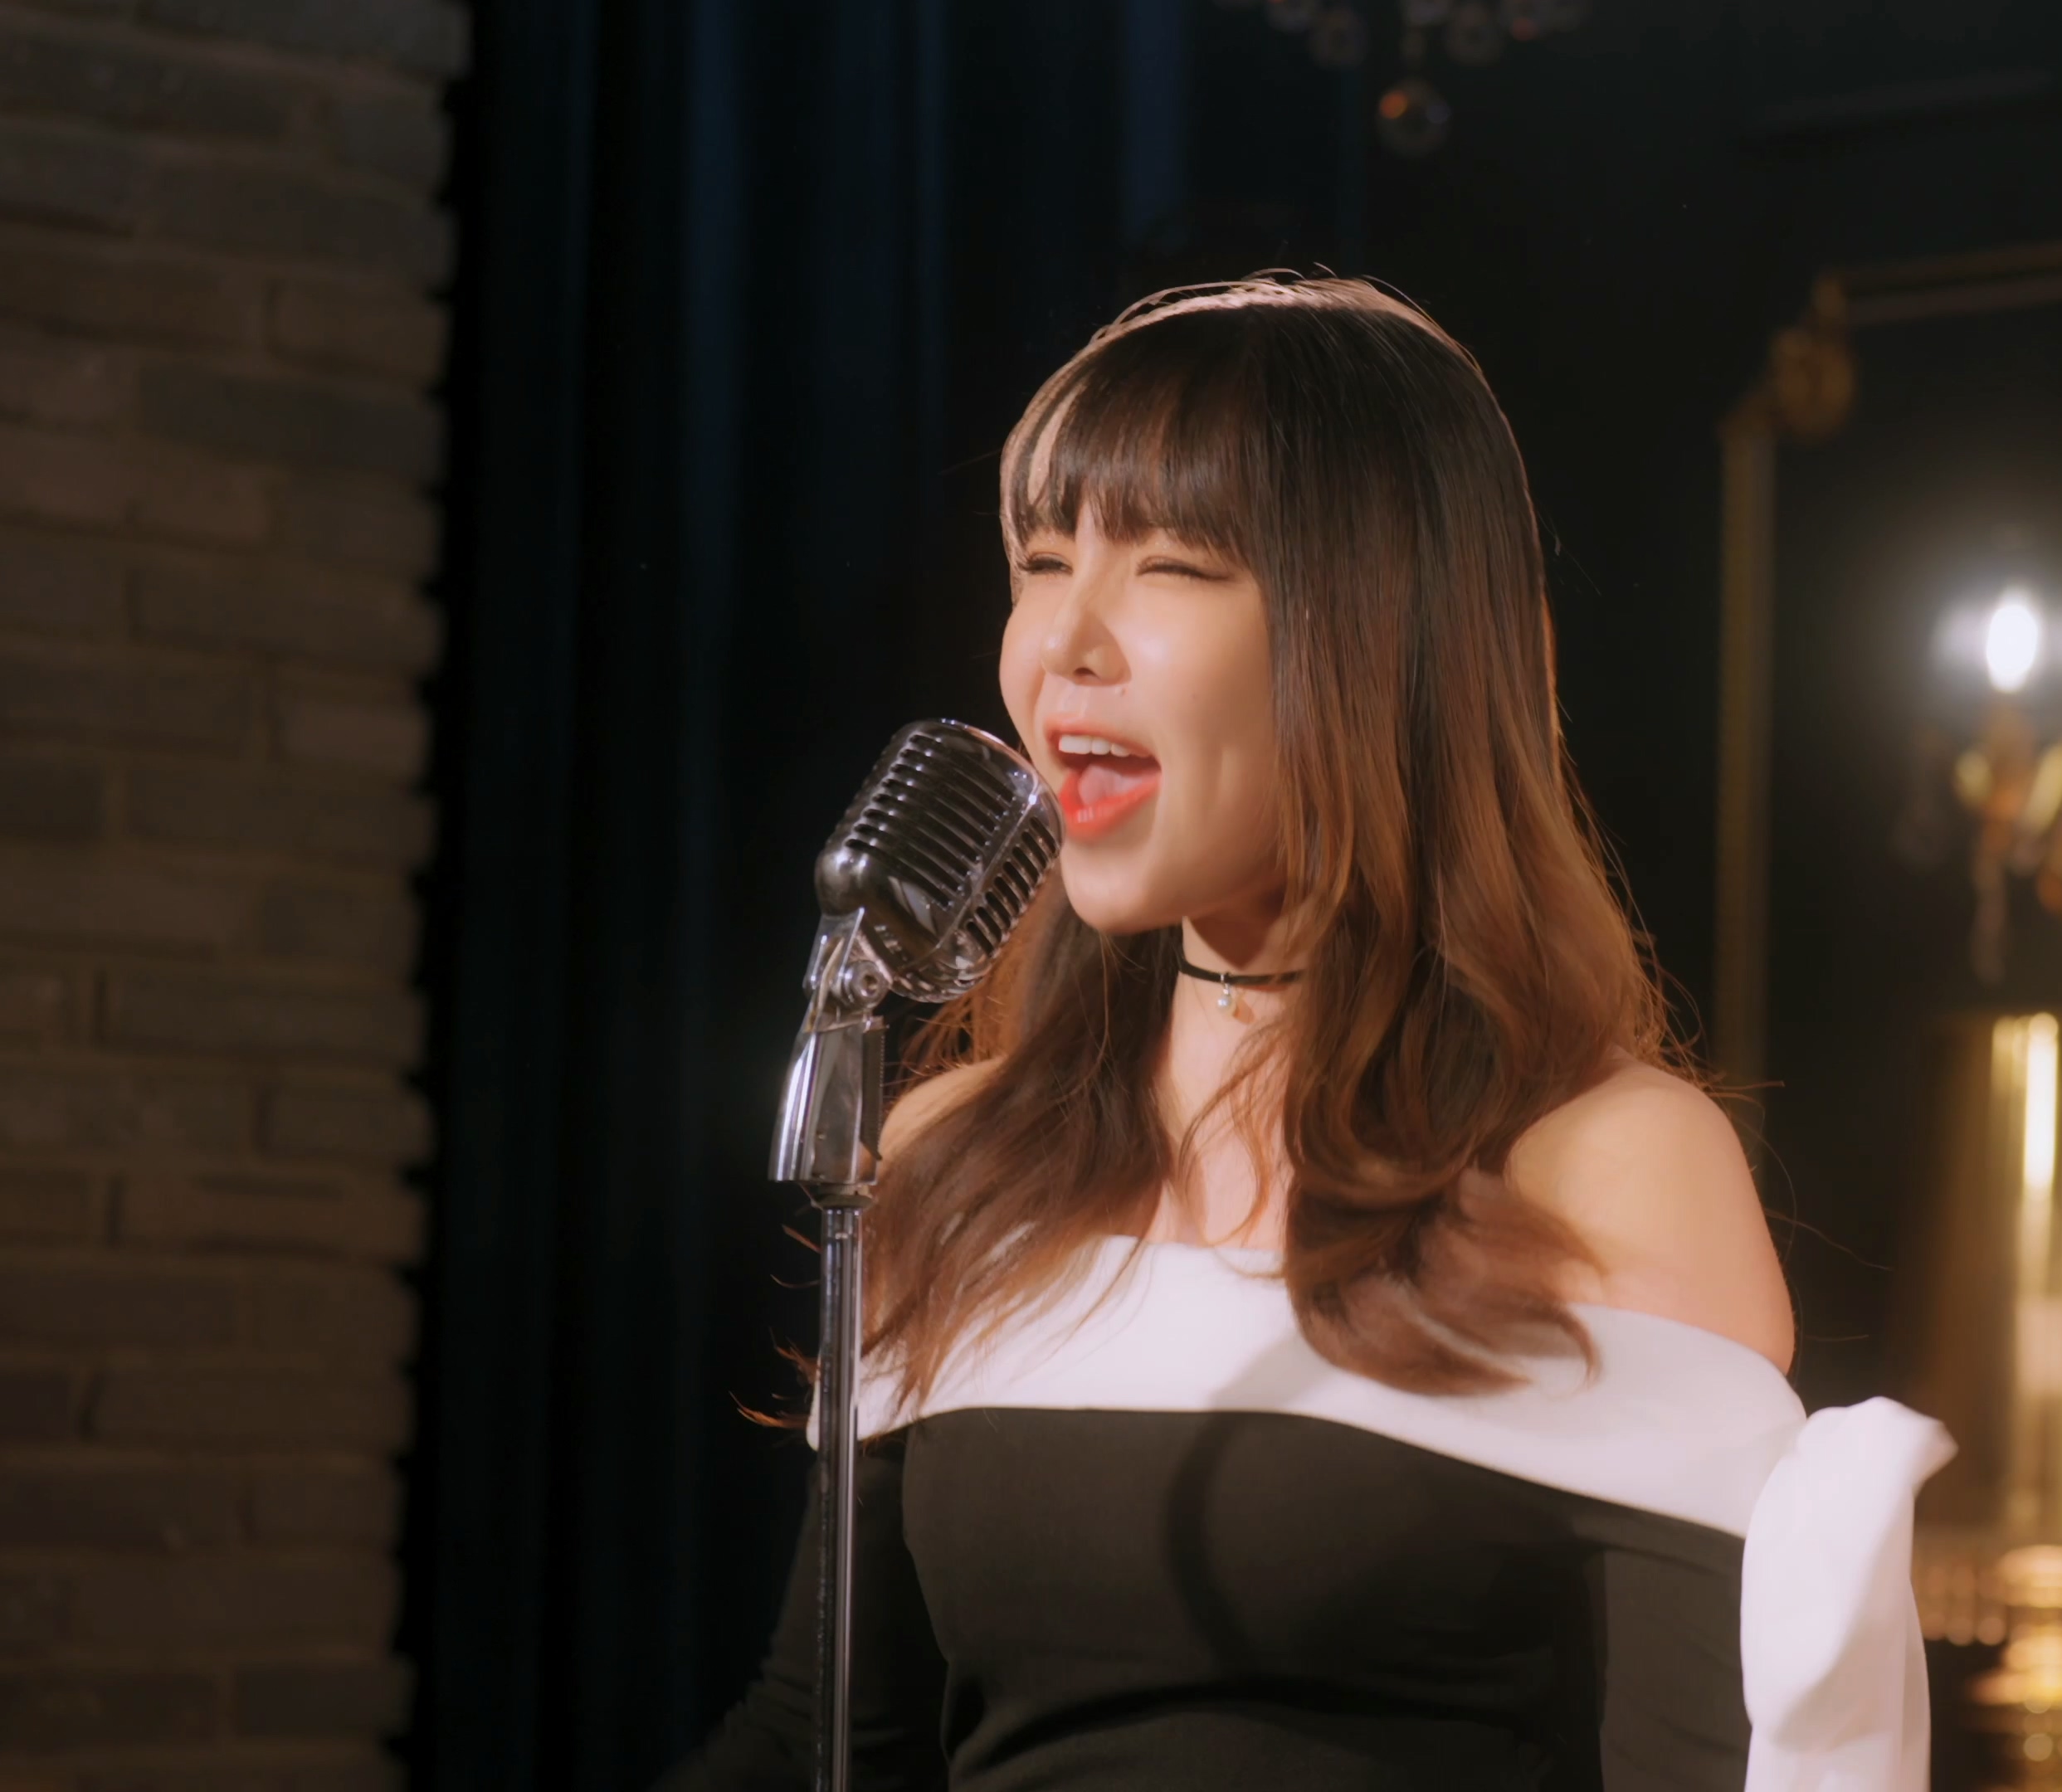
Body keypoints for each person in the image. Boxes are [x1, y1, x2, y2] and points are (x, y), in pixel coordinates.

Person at [661, 276, 1947, 1791]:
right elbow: (821, 1736)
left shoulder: (1609, 1172)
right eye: (1042, 561)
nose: (1062, 641)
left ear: (1382, 641)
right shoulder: (950, 1159)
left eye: (1173, 566)